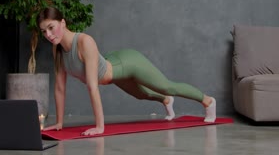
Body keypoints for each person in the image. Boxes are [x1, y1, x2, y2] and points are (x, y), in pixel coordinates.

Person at [38, 7, 216, 136]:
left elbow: (92, 86)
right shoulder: (58, 50)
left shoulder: (85, 42)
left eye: (51, 27)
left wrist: (100, 127)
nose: (48, 34)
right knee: (142, 95)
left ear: (63, 22)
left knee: (168, 86)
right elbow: (60, 88)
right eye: (44, 31)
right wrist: (59, 123)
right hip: (113, 74)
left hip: (127, 63)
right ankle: (166, 100)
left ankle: (207, 101)